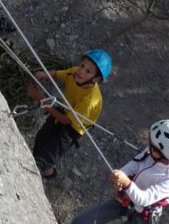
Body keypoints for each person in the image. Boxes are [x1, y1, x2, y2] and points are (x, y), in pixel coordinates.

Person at [31, 49, 111, 179]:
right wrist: (43, 75)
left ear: (95, 79)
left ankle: (45, 169)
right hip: (68, 109)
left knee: (50, 152)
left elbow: (66, 121)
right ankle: (46, 168)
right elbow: (57, 74)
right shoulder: (74, 73)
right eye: (82, 65)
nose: (81, 71)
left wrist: (41, 99)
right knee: (42, 137)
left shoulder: (90, 100)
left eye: (88, 71)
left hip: (75, 126)